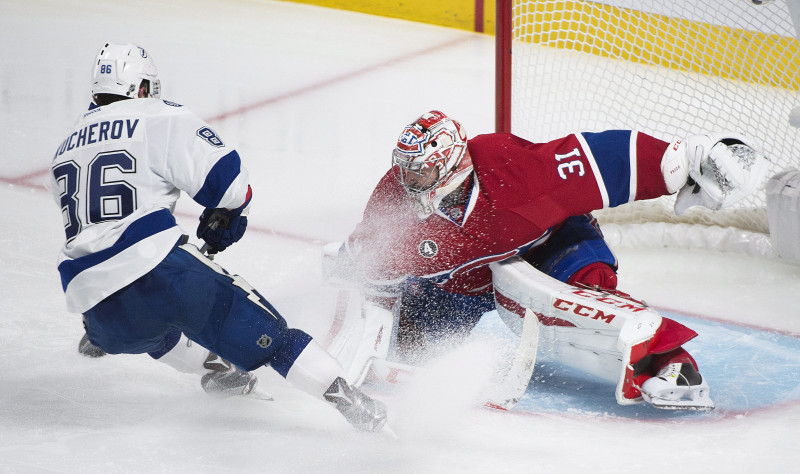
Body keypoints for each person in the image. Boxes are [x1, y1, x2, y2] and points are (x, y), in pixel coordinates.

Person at [326, 110, 767, 410]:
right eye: (403, 167)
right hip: (459, 282)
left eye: (418, 170)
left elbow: (602, 159)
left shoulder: (513, 170)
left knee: (590, 294)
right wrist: (364, 334)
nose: (407, 179)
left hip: (548, 243)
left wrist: (687, 160)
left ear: (450, 165)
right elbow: (370, 266)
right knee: (416, 350)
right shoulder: (394, 199)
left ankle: (674, 365)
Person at [49, 43, 387, 431]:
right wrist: (225, 217)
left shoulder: (65, 145)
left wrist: (102, 321)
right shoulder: (158, 117)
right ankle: (351, 402)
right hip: (163, 272)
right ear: (141, 88)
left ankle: (221, 374)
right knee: (275, 339)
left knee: (158, 333)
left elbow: (89, 225)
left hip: (95, 305)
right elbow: (230, 187)